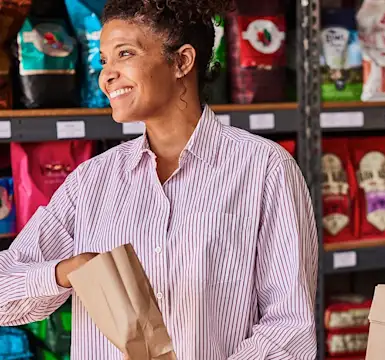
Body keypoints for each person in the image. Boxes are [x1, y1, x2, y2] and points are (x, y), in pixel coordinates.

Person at [0, 0, 318, 358]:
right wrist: (63, 272)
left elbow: (290, 327)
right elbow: (4, 300)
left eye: (125, 54)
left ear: (182, 61)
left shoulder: (264, 169)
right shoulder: (91, 182)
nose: (106, 75)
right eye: (104, 60)